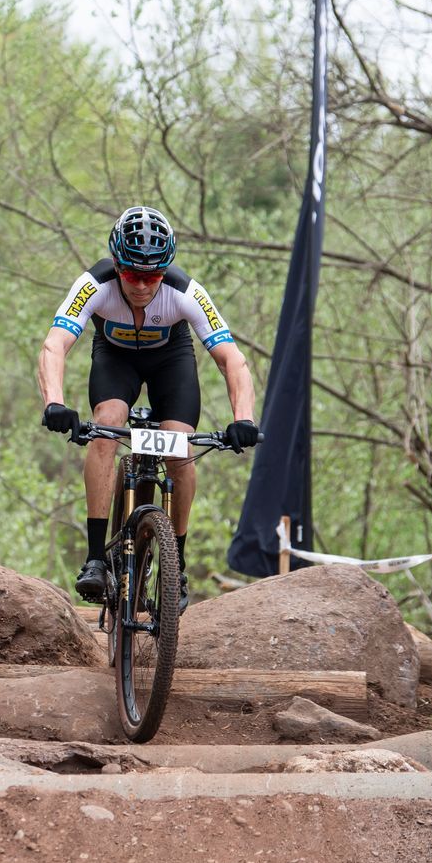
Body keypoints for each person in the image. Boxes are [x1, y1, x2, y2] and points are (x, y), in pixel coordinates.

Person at [37, 205, 259, 606]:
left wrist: (243, 418)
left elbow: (233, 360)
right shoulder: (94, 284)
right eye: (132, 275)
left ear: (166, 269)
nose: (141, 285)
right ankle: (94, 559)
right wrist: (55, 403)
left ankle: (177, 565)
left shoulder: (185, 292)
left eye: (152, 276)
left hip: (169, 362)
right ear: (117, 266)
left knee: (181, 446)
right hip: (115, 360)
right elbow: (55, 344)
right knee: (106, 425)